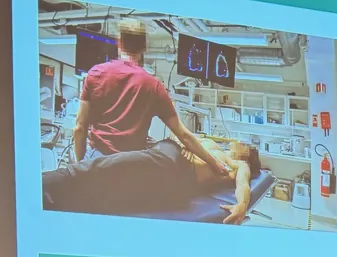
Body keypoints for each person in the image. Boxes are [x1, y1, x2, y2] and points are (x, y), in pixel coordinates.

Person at [73, 19, 227, 177]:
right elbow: (184, 135)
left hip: (97, 161)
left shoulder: (95, 73)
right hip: (130, 167)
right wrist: (214, 163)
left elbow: (80, 127)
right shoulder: (153, 86)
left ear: (119, 43)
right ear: (144, 47)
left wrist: (79, 165)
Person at [42, 137, 261, 225]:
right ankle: (51, 201)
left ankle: (42, 186)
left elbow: (243, 184)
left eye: (245, 145)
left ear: (247, 154)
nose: (240, 142)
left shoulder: (239, 165)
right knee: (107, 182)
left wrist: (241, 205)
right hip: (165, 154)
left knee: (100, 171)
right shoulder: (216, 147)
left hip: (172, 166)